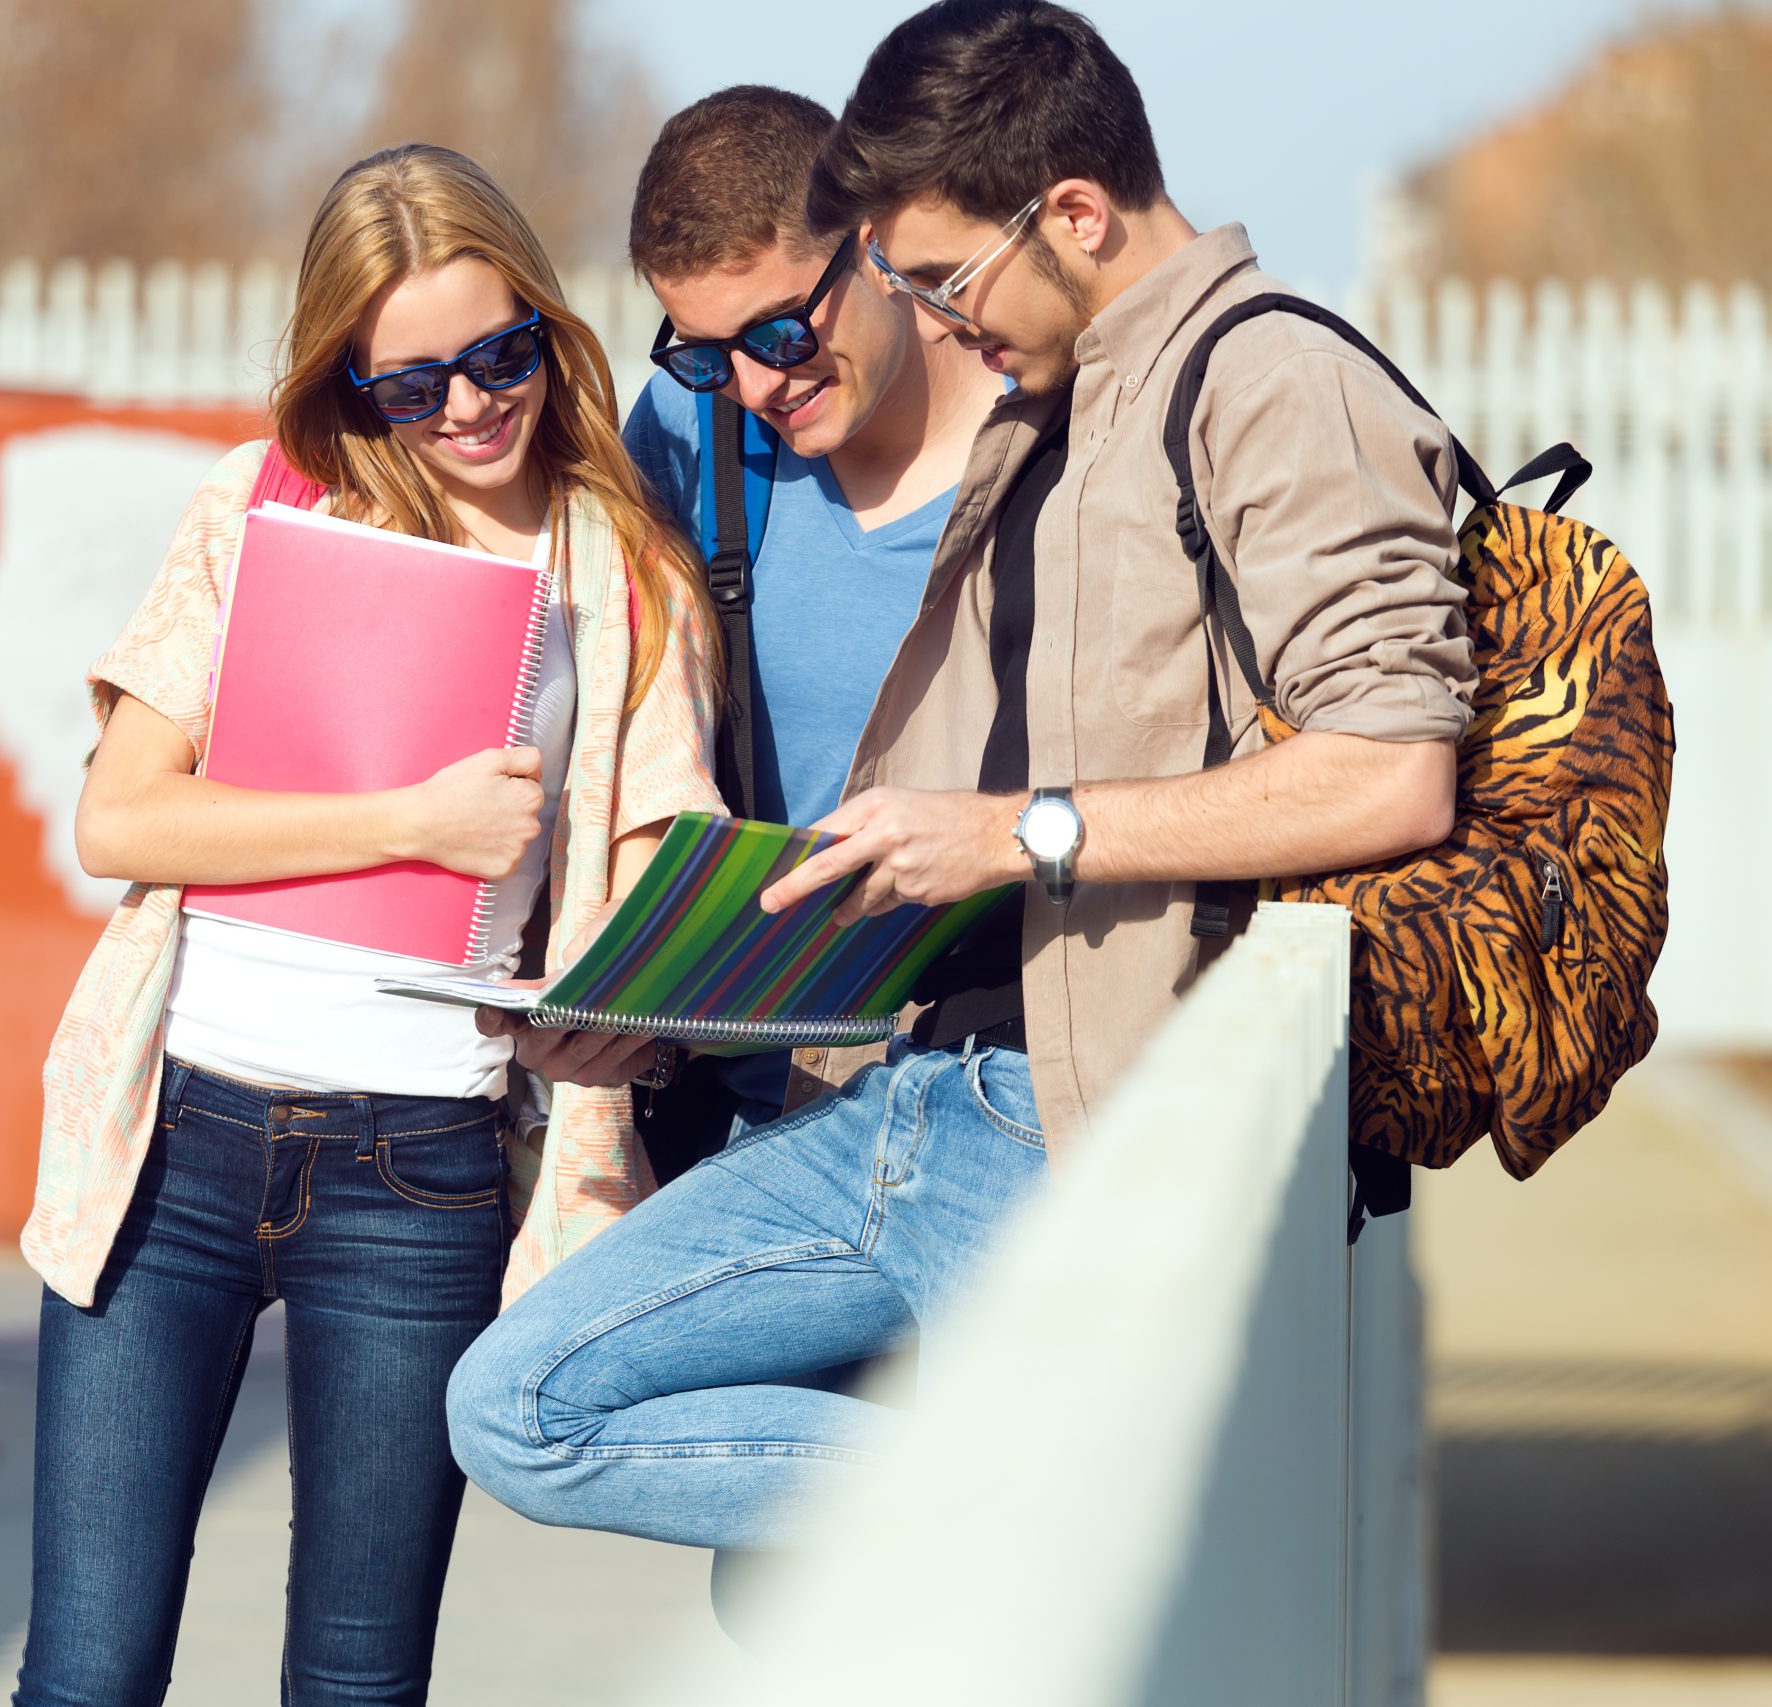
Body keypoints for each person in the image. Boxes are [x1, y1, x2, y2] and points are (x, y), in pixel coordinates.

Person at [449, 0, 1474, 1555]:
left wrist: (1018, 832)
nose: (940, 315)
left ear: (1071, 211)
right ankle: (1021, 1498)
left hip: (1071, 1119)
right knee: (520, 1404)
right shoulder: (1068, 393)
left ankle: (1042, 1506)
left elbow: (1396, 772)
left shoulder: (1269, 380)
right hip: (878, 1087)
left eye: (941, 278)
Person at [12, 144, 719, 1706]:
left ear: (547, 329)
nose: (468, 408)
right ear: (350, 376)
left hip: (425, 1166)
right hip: (175, 1135)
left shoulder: (631, 571)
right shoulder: (265, 504)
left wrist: (605, 1007)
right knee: (86, 1669)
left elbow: (657, 881)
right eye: (413, 385)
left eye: (500, 357)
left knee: (356, 1679)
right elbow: (121, 817)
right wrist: (409, 820)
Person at [493, 85, 1003, 1194]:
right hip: (733, 1115)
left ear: (873, 242)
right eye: (707, 352)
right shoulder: (690, 434)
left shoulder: (1044, 442)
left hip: (977, 1103)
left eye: (780, 330)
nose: (758, 385)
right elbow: (588, 715)